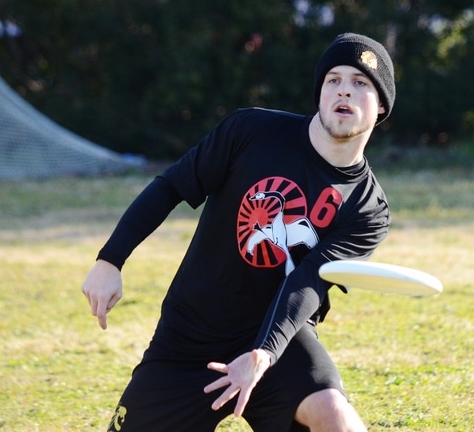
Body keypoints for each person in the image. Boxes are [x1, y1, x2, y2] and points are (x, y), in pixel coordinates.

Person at [81, 32, 396, 432]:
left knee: (338, 420)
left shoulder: (368, 208)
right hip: (190, 334)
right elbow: (172, 186)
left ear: (381, 104)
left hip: (277, 339)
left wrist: (262, 353)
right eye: (333, 79)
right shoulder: (251, 132)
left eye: (360, 83)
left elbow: (308, 279)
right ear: (319, 92)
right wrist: (111, 259)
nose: (344, 91)